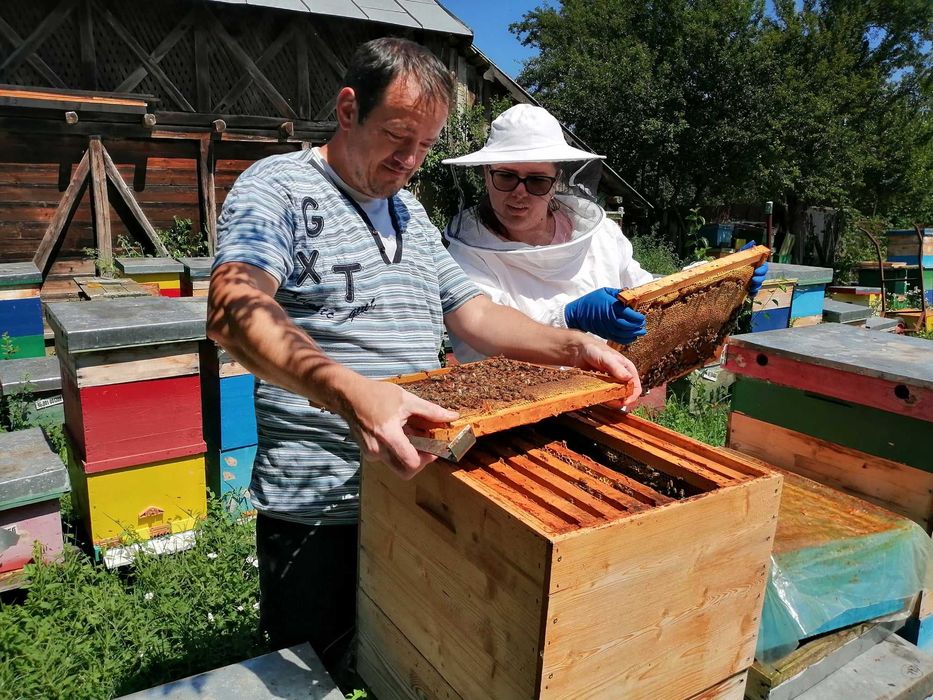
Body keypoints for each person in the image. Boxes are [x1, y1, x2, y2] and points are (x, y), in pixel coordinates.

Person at [206, 38, 643, 674]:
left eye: (425, 147)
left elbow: (474, 313)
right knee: (317, 677)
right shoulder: (276, 188)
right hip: (319, 504)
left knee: (409, 666)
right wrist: (353, 390)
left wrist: (572, 346)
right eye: (397, 137)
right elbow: (233, 308)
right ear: (349, 109)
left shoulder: (407, 209)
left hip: (416, 482)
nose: (409, 161)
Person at [443, 104, 767, 363]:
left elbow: (649, 292)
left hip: (605, 398)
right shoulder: (466, 254)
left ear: (556, 181)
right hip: (514, 412)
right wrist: (568, 317)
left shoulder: (600, 235)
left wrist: (713, 279)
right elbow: (483, 333)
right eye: (506, 177)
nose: (520, 193)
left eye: (537, 180)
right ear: (486, 175)